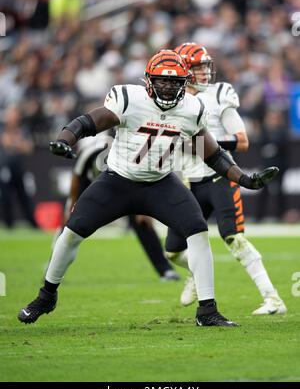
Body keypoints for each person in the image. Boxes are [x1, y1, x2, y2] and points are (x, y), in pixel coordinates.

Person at [18, 49, 278, 327]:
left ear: (184, 82)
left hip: (160, 184)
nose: (167, 87)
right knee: (71, 233)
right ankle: (47, 296)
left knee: (198, 230)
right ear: (149, 81)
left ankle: (207, 310)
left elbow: (211, 153)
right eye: (162, 81)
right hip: (117, 181)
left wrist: (244, 180)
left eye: (175, 82)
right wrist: (65, 139)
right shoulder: (130, 99)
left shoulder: (191, 109)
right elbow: (89, 122)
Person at [165, 42, 286, 315]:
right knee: (172, 251)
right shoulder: (172, 98)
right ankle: (197, 274)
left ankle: (273, 299)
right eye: (198, 67)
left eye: (206, 66)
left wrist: (202, 144)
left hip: (220, 176)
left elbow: (242, 142)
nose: (206, 72)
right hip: (188, 182)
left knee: (234, 238)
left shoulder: (220, 94)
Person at [53, 132, 179, 281]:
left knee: (142, 223)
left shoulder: (127, 153)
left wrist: (144, 210)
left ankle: (165, 270)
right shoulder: (90, 152)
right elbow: (76, 178)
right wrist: (72, 204)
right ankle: (53, 268)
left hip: (125, 185)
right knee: (71, 226)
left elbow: (140, 176)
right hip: (90, 185)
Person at [0, 105, 38, 228]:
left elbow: (28, 147)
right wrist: (17, 143)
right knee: (5, 195)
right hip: (5, 167)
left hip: (18, 167)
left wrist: (15, 143)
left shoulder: (23, 129)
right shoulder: (3, 129)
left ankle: (32, 223)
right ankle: (8, 223)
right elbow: (6, 143)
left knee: (24, 196)